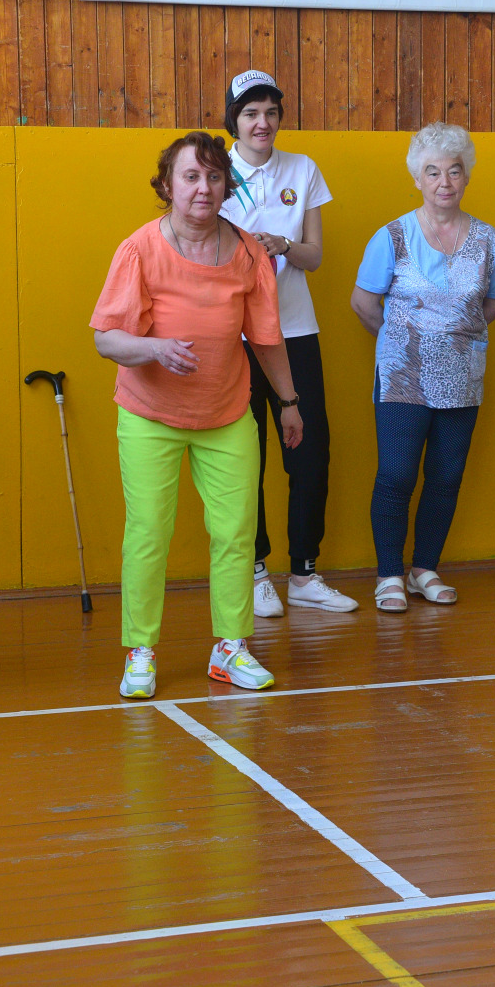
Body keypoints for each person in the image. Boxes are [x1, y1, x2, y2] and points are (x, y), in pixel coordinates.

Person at [91, 131, 303, 699]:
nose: (203, 188)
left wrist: (288, 402)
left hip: (228, 413)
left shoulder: (250, 253)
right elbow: (107, 340)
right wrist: (153, 349)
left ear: (226, 184)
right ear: (167, 186)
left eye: (214, 176)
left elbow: (266, 338)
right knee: (149, 534)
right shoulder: (139, 249)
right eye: (191, 176)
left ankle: (229, 649)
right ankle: (140, 651)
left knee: (235, 534)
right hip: (149, 414)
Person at [350, 123, 495, 613]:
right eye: (433, 171)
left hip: (462, 375)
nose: (445, 181)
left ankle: (424, 568)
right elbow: (363, 302)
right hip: (402, 375)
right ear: (417, 179)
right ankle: (389, 574)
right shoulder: (391, 236)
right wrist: (408, 342)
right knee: (396, 475)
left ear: (466, 177)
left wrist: (451, 337)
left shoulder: (486, 238)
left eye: (454, 171)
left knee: (445, 475)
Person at [218, 69, 356, 618]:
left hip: (295, 331)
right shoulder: (214, 170)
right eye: (251, 114)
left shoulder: (302, 169)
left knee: (310, 453)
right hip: (234, 338)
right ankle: (253, 570)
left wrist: (286, 245)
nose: (262, 123)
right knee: (242, 458)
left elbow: (315, 256)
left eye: (271, 113)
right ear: (234, 120)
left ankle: (304, 573)